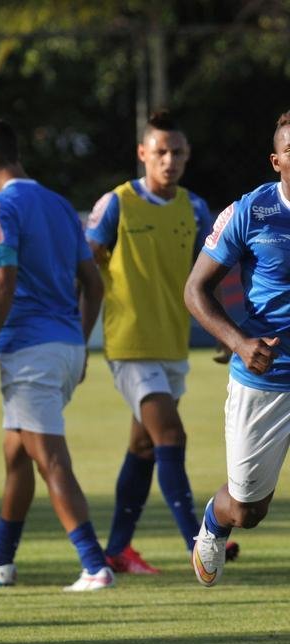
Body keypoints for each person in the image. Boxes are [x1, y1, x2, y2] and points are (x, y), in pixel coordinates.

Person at [0, 118, 112, 591]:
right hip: (65, 347)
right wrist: (80, 343)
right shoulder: (61, 205)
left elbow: (2, 283)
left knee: (49, 458)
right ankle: (1, 559)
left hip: (29, 350)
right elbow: (93, 284)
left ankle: (94, 565)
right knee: (17, 455)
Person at [84, 110, 232, 574]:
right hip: (129, 345)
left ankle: (118, 551)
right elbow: (87, 268)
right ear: (142, 154)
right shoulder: (117, 204)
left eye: (178, 152)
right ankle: (200, 540)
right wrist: (77, 330)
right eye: (161, 151)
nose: (169, 160)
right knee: (171, 434)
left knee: (145, 447)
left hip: (172, 345)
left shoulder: (195, 209)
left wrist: (224, 331)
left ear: (187, 157)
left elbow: (209, 276)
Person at [182, 109, 290, 587]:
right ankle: (214, 521)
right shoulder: (250, 211)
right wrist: (240, 343)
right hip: (267, 377)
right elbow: (195, 291)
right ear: (276, 160)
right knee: (248, 509)